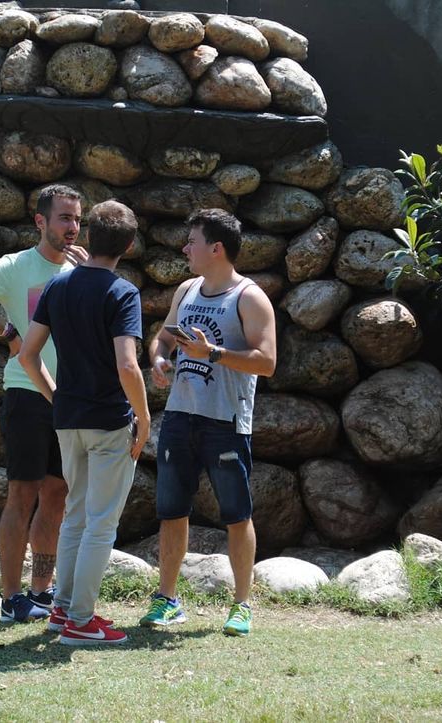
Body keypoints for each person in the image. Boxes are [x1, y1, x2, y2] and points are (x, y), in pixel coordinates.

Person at [0, 184, 87, 623]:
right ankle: (10, 598)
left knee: (57, 494)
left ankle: (41, 592)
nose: (73, 227)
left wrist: (89, 276)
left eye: (77, 219)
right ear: (40, 221)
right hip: (26, 394)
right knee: (22, 494)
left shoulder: (84, 270)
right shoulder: (14, 266)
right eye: (64, 218)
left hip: (70, 397)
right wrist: (7, 332)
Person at [19, 200, 150, 646]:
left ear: (89, 236)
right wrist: (144, 417)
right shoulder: (122, 293)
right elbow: (127, 365)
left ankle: (63, 611)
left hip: (67, 419)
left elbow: (28, 356)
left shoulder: (58, 286)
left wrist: (56, 397)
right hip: (109, 421)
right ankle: (80, 619)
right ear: (128, 246)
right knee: (101, 523)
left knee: (75, 515)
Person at [140, 208, 276, 637]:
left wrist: (213, 353)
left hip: (225, 422)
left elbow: (267, 362)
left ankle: (241, 605)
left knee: (236, 514)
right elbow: (164, 337)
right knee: (171, 511)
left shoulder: (249, 298)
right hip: (180, 416)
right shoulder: (186, 290)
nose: (185, 249)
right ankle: (167, 599)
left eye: (192, 242)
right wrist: (158, 359)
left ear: (216, 248)